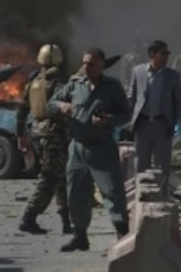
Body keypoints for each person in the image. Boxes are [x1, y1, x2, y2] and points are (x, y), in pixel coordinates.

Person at [49, 48, 132, 252]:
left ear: (102, 65)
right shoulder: (75, 84)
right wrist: (62, 107)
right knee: (76, 194)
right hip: (77, 148)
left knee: (112, 192)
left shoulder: (112, 87)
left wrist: (108, 120)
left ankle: (123, 234)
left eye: (91, 63)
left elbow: (126, 114)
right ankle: (80, 236)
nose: (86, 66)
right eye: (84, 63)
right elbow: (50, 103)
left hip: (102, 147)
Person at [17, 43, 72, 235]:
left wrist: (21, 135)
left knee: (61, 177)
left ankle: (66, 221)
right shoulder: (58, 83)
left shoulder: (32, 83)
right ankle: (28, 216)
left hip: (38, 132)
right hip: (54, 134)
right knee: (49, 177)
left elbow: (22, 110)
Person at [126, 40, 181, 198]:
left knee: (162, 164)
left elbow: (179, 101)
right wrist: (124, 119)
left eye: (167, 54)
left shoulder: (172, 76)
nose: (166, 57)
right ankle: (140, 196)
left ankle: (162, 196)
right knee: (141, 163)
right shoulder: (138, 72)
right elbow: (131, 98)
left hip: (162, 124)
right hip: (143, 123)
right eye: (163, 54)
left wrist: (179, 121)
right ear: (152, 54)